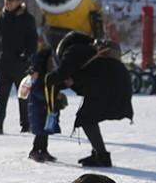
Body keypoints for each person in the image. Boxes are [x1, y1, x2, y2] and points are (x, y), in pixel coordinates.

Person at [50, 29, 132, 167]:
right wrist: (72, 83)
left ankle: (102, 157)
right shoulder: (90, 51)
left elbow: (61, 75)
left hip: (108, 86)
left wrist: (45, 80)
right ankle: (98, 154)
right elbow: (89, 76)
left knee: (87, 118)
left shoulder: (74, 50)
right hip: (120, 83)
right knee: (89, 117)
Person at [0, 0, 39, 134]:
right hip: (4, 64)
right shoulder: (0, 18)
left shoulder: (27, 19)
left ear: (19, 2)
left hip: (21, 65)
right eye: (6, 0)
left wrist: (27, 56)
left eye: (11, 0)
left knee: (23, 96)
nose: (8, 3)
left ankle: (26, 125)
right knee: (1, 96)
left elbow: (33, 41)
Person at [23, 40, 59, 163]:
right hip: (38, 106)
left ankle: (43, 150)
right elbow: (35, 91)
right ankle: (35, 150)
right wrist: (48, 98)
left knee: (46, 130)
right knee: (40, 131)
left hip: (46, 105)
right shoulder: (37, 75)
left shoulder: (47, 74)